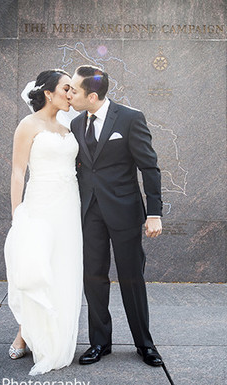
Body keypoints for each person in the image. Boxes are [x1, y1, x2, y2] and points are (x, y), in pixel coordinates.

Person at [67, 65, 164, 367]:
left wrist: (155, 213)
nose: (69, 93)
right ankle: (100, 343)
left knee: (131, 278)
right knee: (94, 278)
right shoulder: (75, 125)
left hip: (124, 212)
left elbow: (149, 167)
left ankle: (144, 345)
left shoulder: (130, 119)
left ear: (92, 95)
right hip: (89, 214)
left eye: (74, 90)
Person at [4, 69, 83, 376]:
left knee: (63, 269)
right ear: (49, 93)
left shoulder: (68, 126)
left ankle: (54, 334)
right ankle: (25, 331)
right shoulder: (28, 125)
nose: (71, 94)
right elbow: (16, 172)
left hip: (68, 207)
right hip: (39, 206)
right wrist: (17, 214)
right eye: (67, 89)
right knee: (38, 267)